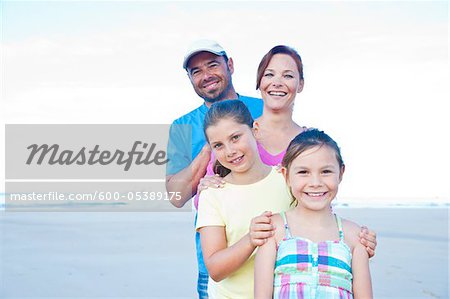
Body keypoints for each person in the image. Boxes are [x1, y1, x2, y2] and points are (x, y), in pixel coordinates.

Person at [197, 45, 377, 255]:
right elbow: (213, 204)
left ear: (300, 84)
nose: (277, 82)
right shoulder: (237, 137)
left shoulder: (311, 143)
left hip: (293, 265)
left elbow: (322, 204)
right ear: (259, 82)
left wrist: (357, 240)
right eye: (269, 74)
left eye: (288, 75)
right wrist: (205, 185)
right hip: (235, 265)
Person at [165, 39, 263, 298]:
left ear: (229, 65)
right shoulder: (182, 126)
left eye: (212, 65)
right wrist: (212, 146)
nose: (206, 75)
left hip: (273, 253)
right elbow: (176, 196)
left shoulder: (263, 109)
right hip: (215, 261)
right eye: (196, 71)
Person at [254, 129, 373, 298]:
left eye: (326, 172)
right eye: (303, 172)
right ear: (286, 175)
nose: (315, 183)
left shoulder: (354, 236)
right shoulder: (274, 230)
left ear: (341, 173)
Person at [196, 100, 293, 298]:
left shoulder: (287, 181)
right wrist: (250, 239)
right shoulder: (212, 194)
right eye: (218, 145)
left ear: (255, 130)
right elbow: (215, 269)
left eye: (235, 137)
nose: (230, 151)